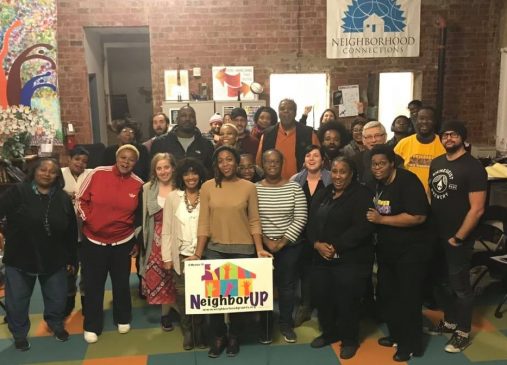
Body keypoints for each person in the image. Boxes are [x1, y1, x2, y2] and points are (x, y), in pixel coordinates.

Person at [188, 145, 272, 358]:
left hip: (243, 251)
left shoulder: (248, 187)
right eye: (221, 160)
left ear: (237, 162)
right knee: (215, 302)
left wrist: (260, 249)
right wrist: (198, 253)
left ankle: (234, 336)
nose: (226, 164)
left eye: (230, 159)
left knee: (237, 302)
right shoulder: (207, 187)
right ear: (216, 164)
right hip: (215, 250)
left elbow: (254, 220)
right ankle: (218, 337)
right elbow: (203, 223)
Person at [0, 158, 77, 351]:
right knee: (17, 301)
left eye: (52, 171)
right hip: (20, 258)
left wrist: (71, 259)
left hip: (54, 257)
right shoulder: (17, 192)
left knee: (57, 298)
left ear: (57, 176)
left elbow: (71, 231)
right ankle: (19, 334)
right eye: (43, 169)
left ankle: (55, 324)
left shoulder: (62, 198)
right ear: (34, 171)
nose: (47, 174)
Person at [365, 144, 430, 362]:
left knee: (409, 299)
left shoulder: (407, 181)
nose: (377, 168)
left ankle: (411, 345)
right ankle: (396, 335)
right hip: (387, 251)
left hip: (410, 251)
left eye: (382, 163)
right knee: (388, 295)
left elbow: (418, 216)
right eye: (374, 164)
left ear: (392, 162)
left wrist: (382, 220)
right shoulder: (377, 183)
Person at [427, 121, 487, 353]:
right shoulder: (437, 163)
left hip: (458, 238)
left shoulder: (473, 168)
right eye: (444, 135)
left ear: (462, 137)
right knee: (439, 283)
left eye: (453, 135)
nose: (448, 138)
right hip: (437, 235)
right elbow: (434, 197)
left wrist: (459, 237)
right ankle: (450, 321)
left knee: (460, 287)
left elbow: (478, 208)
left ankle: (462, 332)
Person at [307, 156, 375, 359]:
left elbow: (363, 227)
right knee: (322, 297)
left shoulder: (362, 195)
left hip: (350, 259)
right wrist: (316, 244)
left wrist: (336, 246)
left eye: (342, 171)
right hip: (321, 257)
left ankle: (349, 339)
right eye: (334, 171)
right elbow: (310, 223)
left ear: (351, 174)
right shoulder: (323, 193)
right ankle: (329, 333)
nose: (337, 176)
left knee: (347, 301)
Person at [77, 144, 144, 344]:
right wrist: (90, 220)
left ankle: (122, 318)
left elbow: (139, 216)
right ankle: (92, 325)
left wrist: (135, 240)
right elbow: (80, 199)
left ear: (136, 163)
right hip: (93, 240)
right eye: (123, 157)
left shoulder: (138, 183)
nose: (126, 162)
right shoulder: (97, 173)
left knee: (121, 283)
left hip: (122, 242)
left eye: (131, 159)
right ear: (116, 157)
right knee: (93, 285)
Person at [256, 149, 307, 344]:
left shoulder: (294, 188)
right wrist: (266, 241)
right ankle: (266, 326)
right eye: (268, 162)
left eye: (276, 161)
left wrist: (283, 241)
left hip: (290, 246)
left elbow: (301, 216)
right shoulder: (254, 188)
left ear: (282, 163)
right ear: (262, 164)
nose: (272, 165)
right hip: (262, 246)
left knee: (287, 288)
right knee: (262, 287)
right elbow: (252, 217)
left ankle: (286, 324)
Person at [161, 157, 208, 350]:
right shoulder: (173, 197)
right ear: (181, 176)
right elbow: (167, 229)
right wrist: (167, 257)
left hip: (203, 254)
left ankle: (200, 331)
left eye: (194, 172)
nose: (191, 177)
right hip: (180, 255)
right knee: (183, 295)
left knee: (202, 296)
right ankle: (188, 331)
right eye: (187, 173)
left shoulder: (207, 194)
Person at [290, 145, 332, 327]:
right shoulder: (295, 180)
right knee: (305, 271)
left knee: (325, 270)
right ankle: (305, 306)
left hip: (326, 233)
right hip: (302, 234)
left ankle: (326, 307)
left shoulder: (332, 177)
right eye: (308, 155)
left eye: (316, 155)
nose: (312, 158)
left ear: (323, 160)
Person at [139, 153, 177, 332]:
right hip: (155, 239)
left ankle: (184, 312)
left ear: (173, 168)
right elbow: (143, 216)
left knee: (178, 277)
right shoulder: (148, 188)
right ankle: (165, 315)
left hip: (177, 238)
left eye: (166, 167)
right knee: (162, 278)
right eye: (159, 168)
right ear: (155, 171)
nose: (163, 171)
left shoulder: (181, 186)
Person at [61, 146, 92, 317]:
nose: (80, 164)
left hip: (86, 231)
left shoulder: (91, 174)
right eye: (77, 159)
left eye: (84, 161)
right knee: (68, 270)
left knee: (88, 270)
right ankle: (69, 300)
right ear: (69, 159)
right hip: (66, 233)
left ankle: (86, 301)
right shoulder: (59, 174)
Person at [257, 99, 320, 180]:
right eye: (282, 109)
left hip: (302, 184)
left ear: (295, 113)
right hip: (274, 185)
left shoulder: (308, 133)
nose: (286, 111)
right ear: (278, 112)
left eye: (290, 109)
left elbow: (318, 161)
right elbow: (259, 162)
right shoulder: (267, 134)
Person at [394, 106, 446, 192]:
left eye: (429, 119)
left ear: (435, 122)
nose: (425, 122)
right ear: (415, 121)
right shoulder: (404, 143)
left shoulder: (443, 144)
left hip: (436, 197)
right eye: (421, 118)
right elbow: (392, 170)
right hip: (408, 197)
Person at [151, 105, 214, 174]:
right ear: (177, 119)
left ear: (195, 121)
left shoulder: (206, 145)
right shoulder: (160, 143)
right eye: (183, 116)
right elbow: (153, 172)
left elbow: (210, 173)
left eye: (191, 116)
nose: (187, 119)